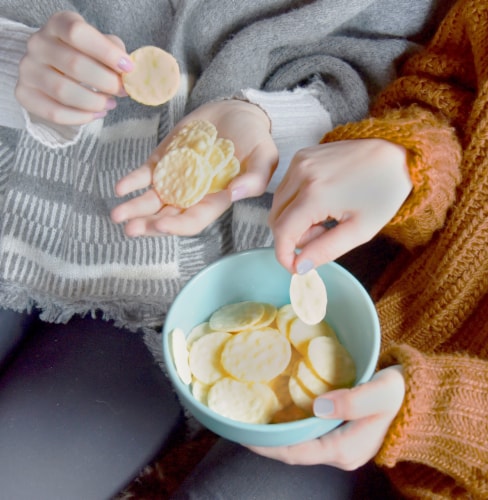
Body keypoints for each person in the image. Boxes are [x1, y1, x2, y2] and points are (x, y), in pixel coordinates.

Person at [0, 0, 456, 498]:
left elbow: (384, 67)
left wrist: (265, 124)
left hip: (170, 282)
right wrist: (17, 58)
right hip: (18, 198)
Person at [168, 0, 488, 498]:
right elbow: (450, 89)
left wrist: (439, 411)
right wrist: (406, 160)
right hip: (386, 319)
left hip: (460, 460)